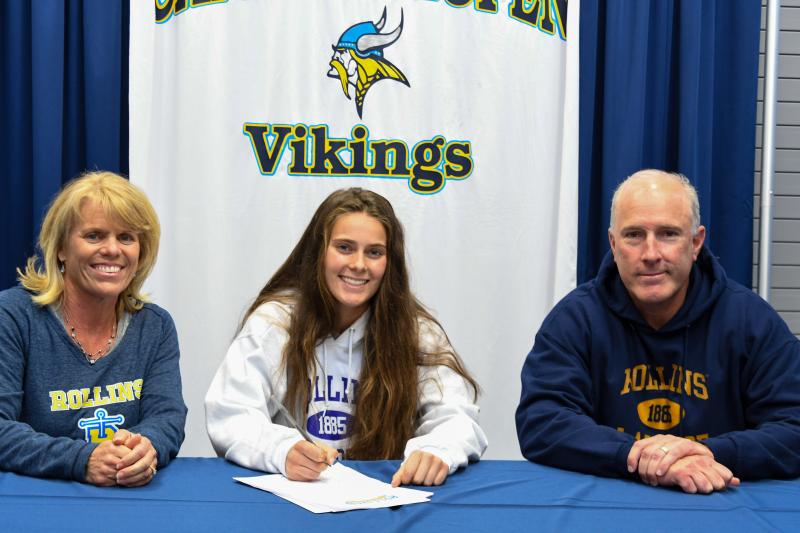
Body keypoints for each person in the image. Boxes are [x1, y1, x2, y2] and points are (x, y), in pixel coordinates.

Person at [516, 169, 800, 494]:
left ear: (696, 243)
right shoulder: (575, 319)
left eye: (668, 234)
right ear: (613, 242)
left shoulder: (751, 320)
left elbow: (794, 425)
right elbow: (541, 420)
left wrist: (706, 453)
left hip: (718, 501)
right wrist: (634, 454)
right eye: (634, 235)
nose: (651, 254)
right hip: (607, 505)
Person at [205, 188, 487, 486]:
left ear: (389, 263)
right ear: (318, 253)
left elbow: (458, 418)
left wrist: (436, 450)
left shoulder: (416, 331)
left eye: (374, 252)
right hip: (297, 496)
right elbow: (230, 413)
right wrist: (281, 449)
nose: (359, 264)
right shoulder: (274, 322)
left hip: (385, 495)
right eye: (344, 247)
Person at [0, 171, 187, 486]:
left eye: (126, 237)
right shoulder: (13, 316)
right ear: (61, 248)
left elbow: (167, 417)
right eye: (94, 235)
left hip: (128, 499)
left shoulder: (156, 326)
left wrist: (145, 447)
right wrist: (81, 459)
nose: (112, 249)